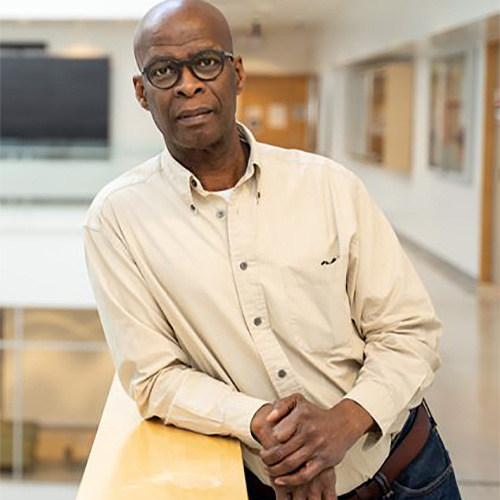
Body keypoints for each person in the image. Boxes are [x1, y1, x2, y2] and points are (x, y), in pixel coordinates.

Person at [84, 1, 462, 498]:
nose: (188, 83)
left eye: (206, 62)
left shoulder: (329, 187)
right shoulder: (118, 220)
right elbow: (154, 377)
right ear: (141, 91)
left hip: (409, 473)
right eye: (163, 70)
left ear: (236, 73)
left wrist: (343, 424)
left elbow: (408, 332)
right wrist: (266, 425)